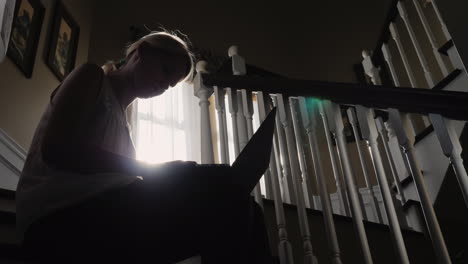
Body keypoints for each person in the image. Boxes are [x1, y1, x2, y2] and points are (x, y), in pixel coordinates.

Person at [17, 31, 272, 263]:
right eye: (164, 70)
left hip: (102, 218)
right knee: (219, 187)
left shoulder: (124, 130)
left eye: (170, 84)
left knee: (247, 207)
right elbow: (58, 148)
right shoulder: (91, 76)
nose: (164, 85)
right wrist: (154, 171)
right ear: (140, 52)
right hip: (57, 220)